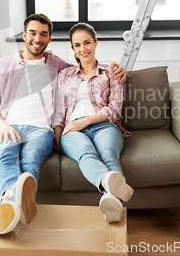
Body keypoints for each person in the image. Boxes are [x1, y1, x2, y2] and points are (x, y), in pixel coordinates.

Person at [0, 14, 126, 235]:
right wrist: (1, 125)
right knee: (6, 157)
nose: (37, 39)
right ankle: (8, 206)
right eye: (33, 33)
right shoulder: (0, 66)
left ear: (49, 39)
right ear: (24, 35)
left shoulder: (57, 65)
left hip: (40, 131)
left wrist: (117, 68)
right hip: (6, 127)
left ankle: (10, 209)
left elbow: (84, 67)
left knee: (31, 161)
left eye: (43, 34)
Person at [53, 23, 133, 223]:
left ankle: (111, 199)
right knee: (85, 153)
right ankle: (109, 186)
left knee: (108, 154)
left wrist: (87, 121)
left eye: (87, 42)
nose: (83, 49)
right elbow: (59, 110)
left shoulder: (111, 72)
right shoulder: (64, 75)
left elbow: (115, 107)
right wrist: (57, 133)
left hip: (104, 125)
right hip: (72, 129)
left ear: (96, 43)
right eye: (77, 45)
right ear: (73, 49)